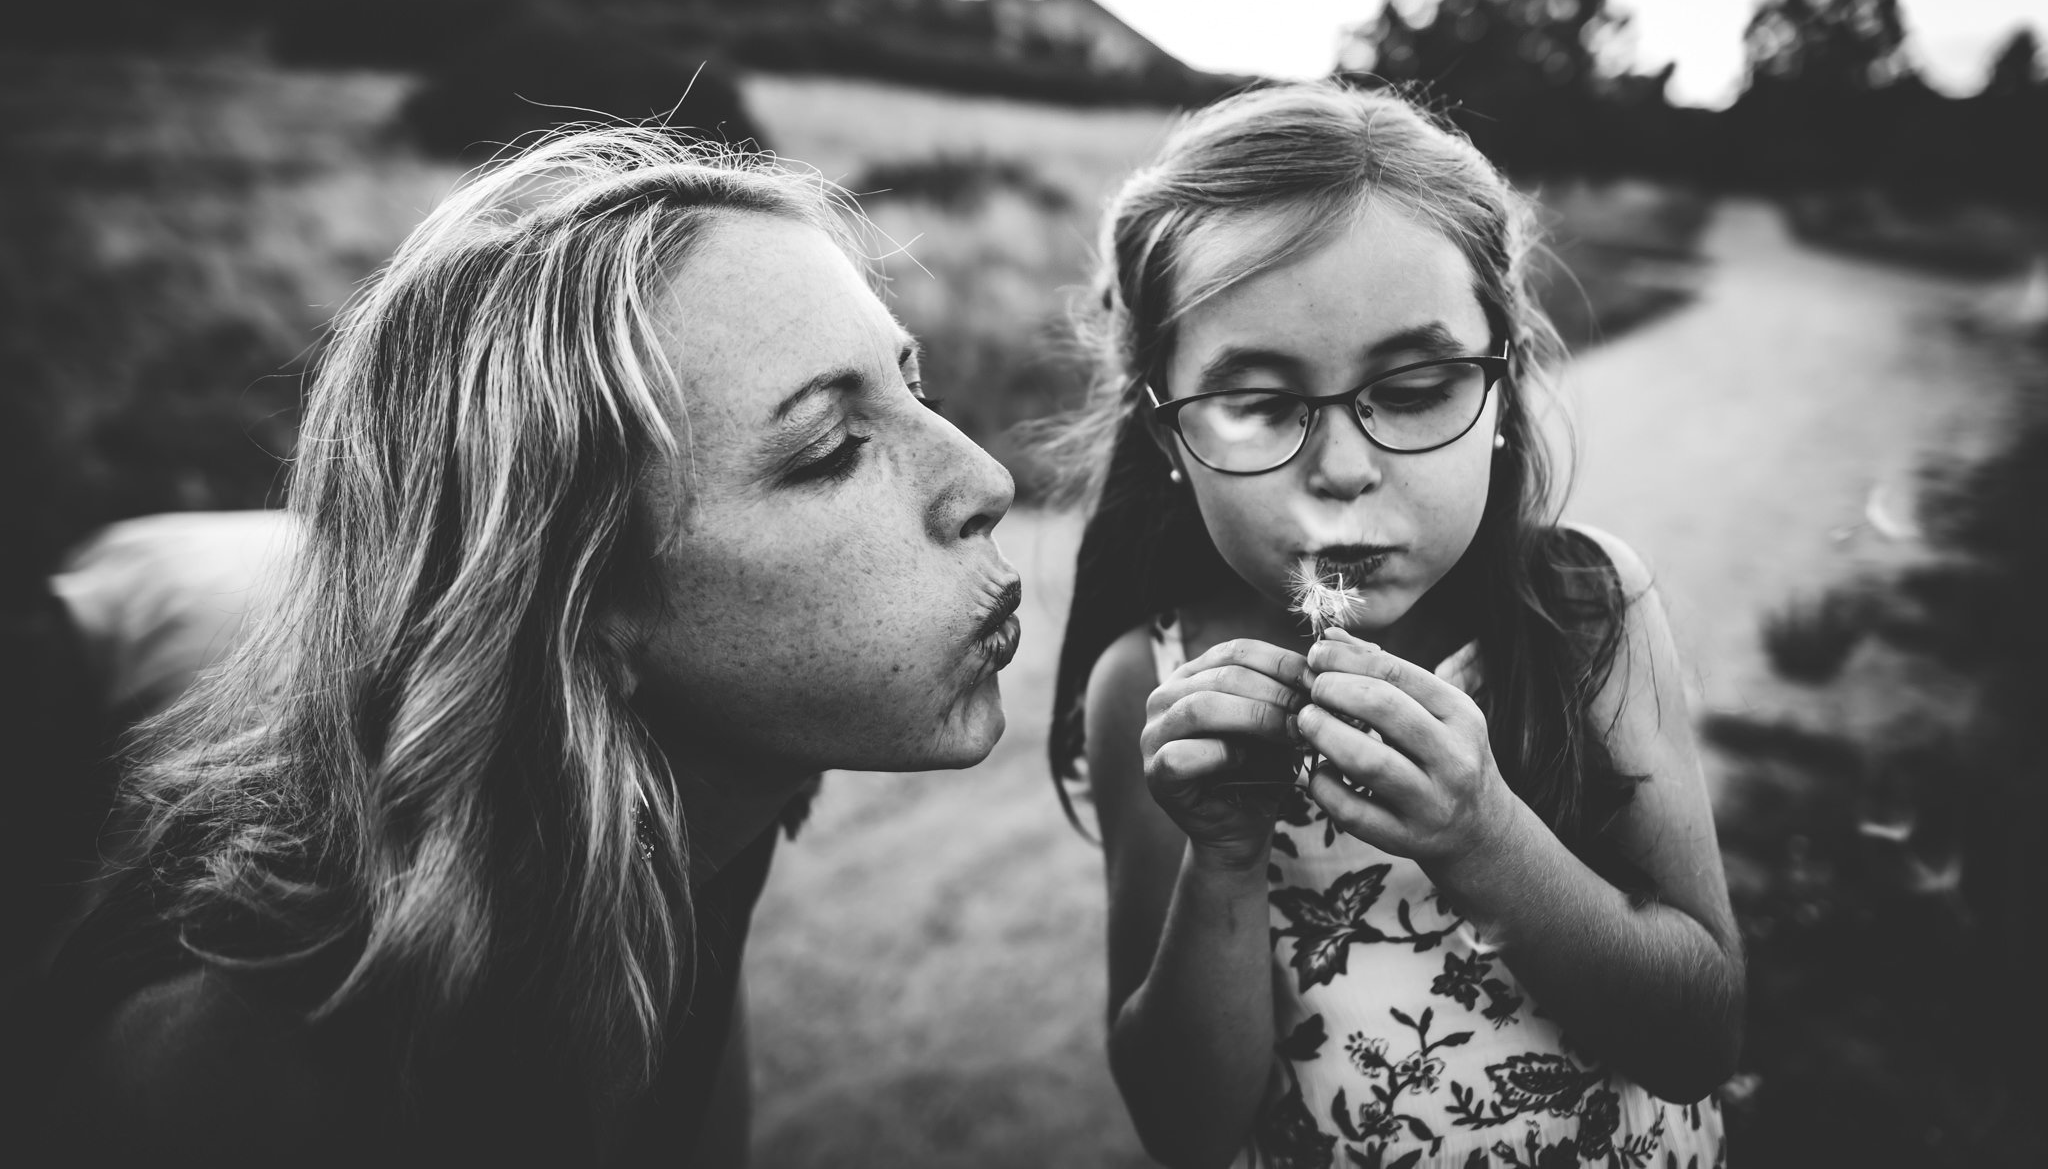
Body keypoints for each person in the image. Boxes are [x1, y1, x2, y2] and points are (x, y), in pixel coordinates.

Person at [23, 127, 1022, 1167]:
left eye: (919, 390)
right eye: (830, 449)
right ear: (573, 607)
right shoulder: (271, 1062)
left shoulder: (691, 832)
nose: (987, 480)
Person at [1045, 83, 1741, 1168]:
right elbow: (1182, 1128)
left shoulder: (1587, 614)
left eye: (1413, 385)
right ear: (1169, 434)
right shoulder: (1149, 682)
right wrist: (1220, 860)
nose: (1340, 469)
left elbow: (1697, 1035)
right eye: (1261, 401)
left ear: (1501, 388)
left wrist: (1484, 833)